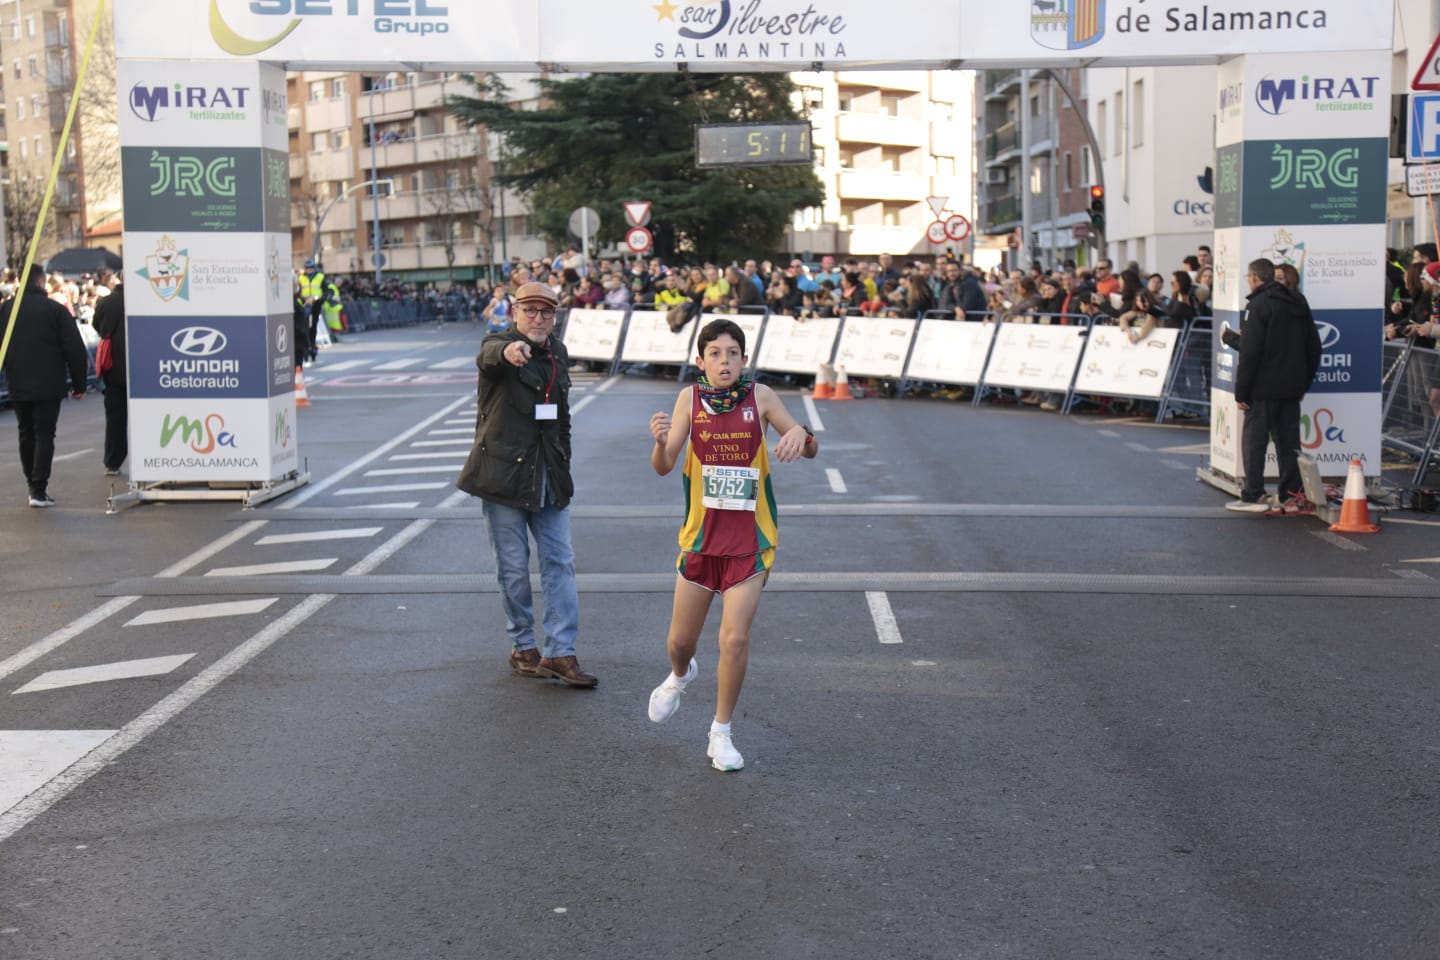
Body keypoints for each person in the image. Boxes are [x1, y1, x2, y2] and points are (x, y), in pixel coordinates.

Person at [645, 318, 818, 771]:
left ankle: (720, 733)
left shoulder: (761, 397)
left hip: (750, 542)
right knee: (680, 642)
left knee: (735, 638)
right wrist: (660, 443)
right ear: (700, 361)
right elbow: (664, 465)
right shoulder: (690, 399)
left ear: (745, 359)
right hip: (701, 540)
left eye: (733, 353)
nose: (725, 361)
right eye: (715, 354)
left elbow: (809, 445)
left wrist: (801, 432)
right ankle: (680, 675)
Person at [456, 281, 596, 687]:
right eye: (530, 311)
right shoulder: (499, 345)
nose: (538, 319)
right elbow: (488, 356)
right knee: (514, 570)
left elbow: (562, 416)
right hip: (504, 476)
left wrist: (564, 460)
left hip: (549, 475)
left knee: (560, 562)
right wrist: (508, 351)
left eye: (546, 312)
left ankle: (561, 652)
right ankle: (522, 644)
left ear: (555, 317)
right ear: (515, 312)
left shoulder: (558, 353)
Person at [1227, 259, 1322, 513]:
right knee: (1289, 443)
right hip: (1291, 387)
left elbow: (1251, 352)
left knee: (1254, 442)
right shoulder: (1298, 302)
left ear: (1254, 278)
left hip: (1262, 388)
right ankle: (1291, 495)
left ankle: (1254, 495)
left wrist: (1241, 391)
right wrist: (1304, 382)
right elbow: (1314, 346)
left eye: (1248, 277)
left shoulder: (1258, 305)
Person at [1, 266, 89, 506]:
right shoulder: (55, 310)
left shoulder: (6, 310)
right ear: (41, 282)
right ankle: (38, 489)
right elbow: (74, 348)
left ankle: (32, 483)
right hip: (49, 383)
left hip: (17, 380)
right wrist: (80, 384)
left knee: (25, 431)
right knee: (44, 433)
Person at [92, 273, 128, 476]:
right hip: (141, 368)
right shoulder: (143, 300)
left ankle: (113, 462)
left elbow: (97, 326)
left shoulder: (106, 302)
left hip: (113, 368)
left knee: (115, 417)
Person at [297, 260, 326, 363]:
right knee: (304, 327)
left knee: (313, 327)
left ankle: (312, 347)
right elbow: (298, 291)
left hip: (316, 305)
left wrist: (318, 299)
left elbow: (325, 291)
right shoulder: (301, 278)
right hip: (304, 305)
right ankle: (306, 348)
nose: (309, 270)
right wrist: (304, 299)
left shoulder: (320, 277)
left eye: (310, 268)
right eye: (307, 268)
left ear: (313, 269)